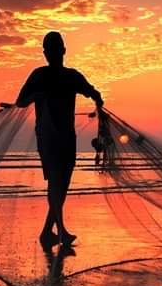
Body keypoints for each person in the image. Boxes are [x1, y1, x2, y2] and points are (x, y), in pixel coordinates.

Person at [15, 31, 103, 248]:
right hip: (48, 137)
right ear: (45, 53)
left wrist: (97, 100)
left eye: (55, 49)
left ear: (63, 51)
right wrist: (35, 96)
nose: (52, 54)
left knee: (62, 183)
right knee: (56, 181)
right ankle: (59, 230)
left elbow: (93, 92)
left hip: (66, 136)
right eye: (49, 50)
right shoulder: (40, 75)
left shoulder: (71, 76)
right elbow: (20, 102)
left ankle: (48, 232)